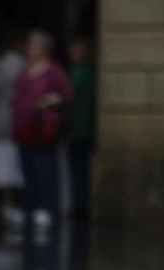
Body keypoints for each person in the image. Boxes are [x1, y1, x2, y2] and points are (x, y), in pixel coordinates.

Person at [13, 30, 73, 231]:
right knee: (27, 172)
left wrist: (49, 101)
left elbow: (66, 95)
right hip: (24, 131)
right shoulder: (25, 71)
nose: (29, 49)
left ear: (43, 49)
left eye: (33, 45)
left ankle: (48, 209)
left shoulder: (54, 72)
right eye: (29, 45)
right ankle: (30, 208)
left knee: (46, 171)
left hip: (43, 132)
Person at [0, 29, 28, 228]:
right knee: (17, 165)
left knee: (1, 166)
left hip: (0, 122)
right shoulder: (25, 66)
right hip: (19, 121)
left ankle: (3, 206)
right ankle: (15, 207)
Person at [68, 36, 96, 221]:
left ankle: (82, 206)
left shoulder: (87, 73)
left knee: (82, 171)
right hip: (73, 129)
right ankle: (77, 205)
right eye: (74, 50)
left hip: (82, 129)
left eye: (79, 50)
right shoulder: (71, 72)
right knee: (76, 171)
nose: (76, 54)